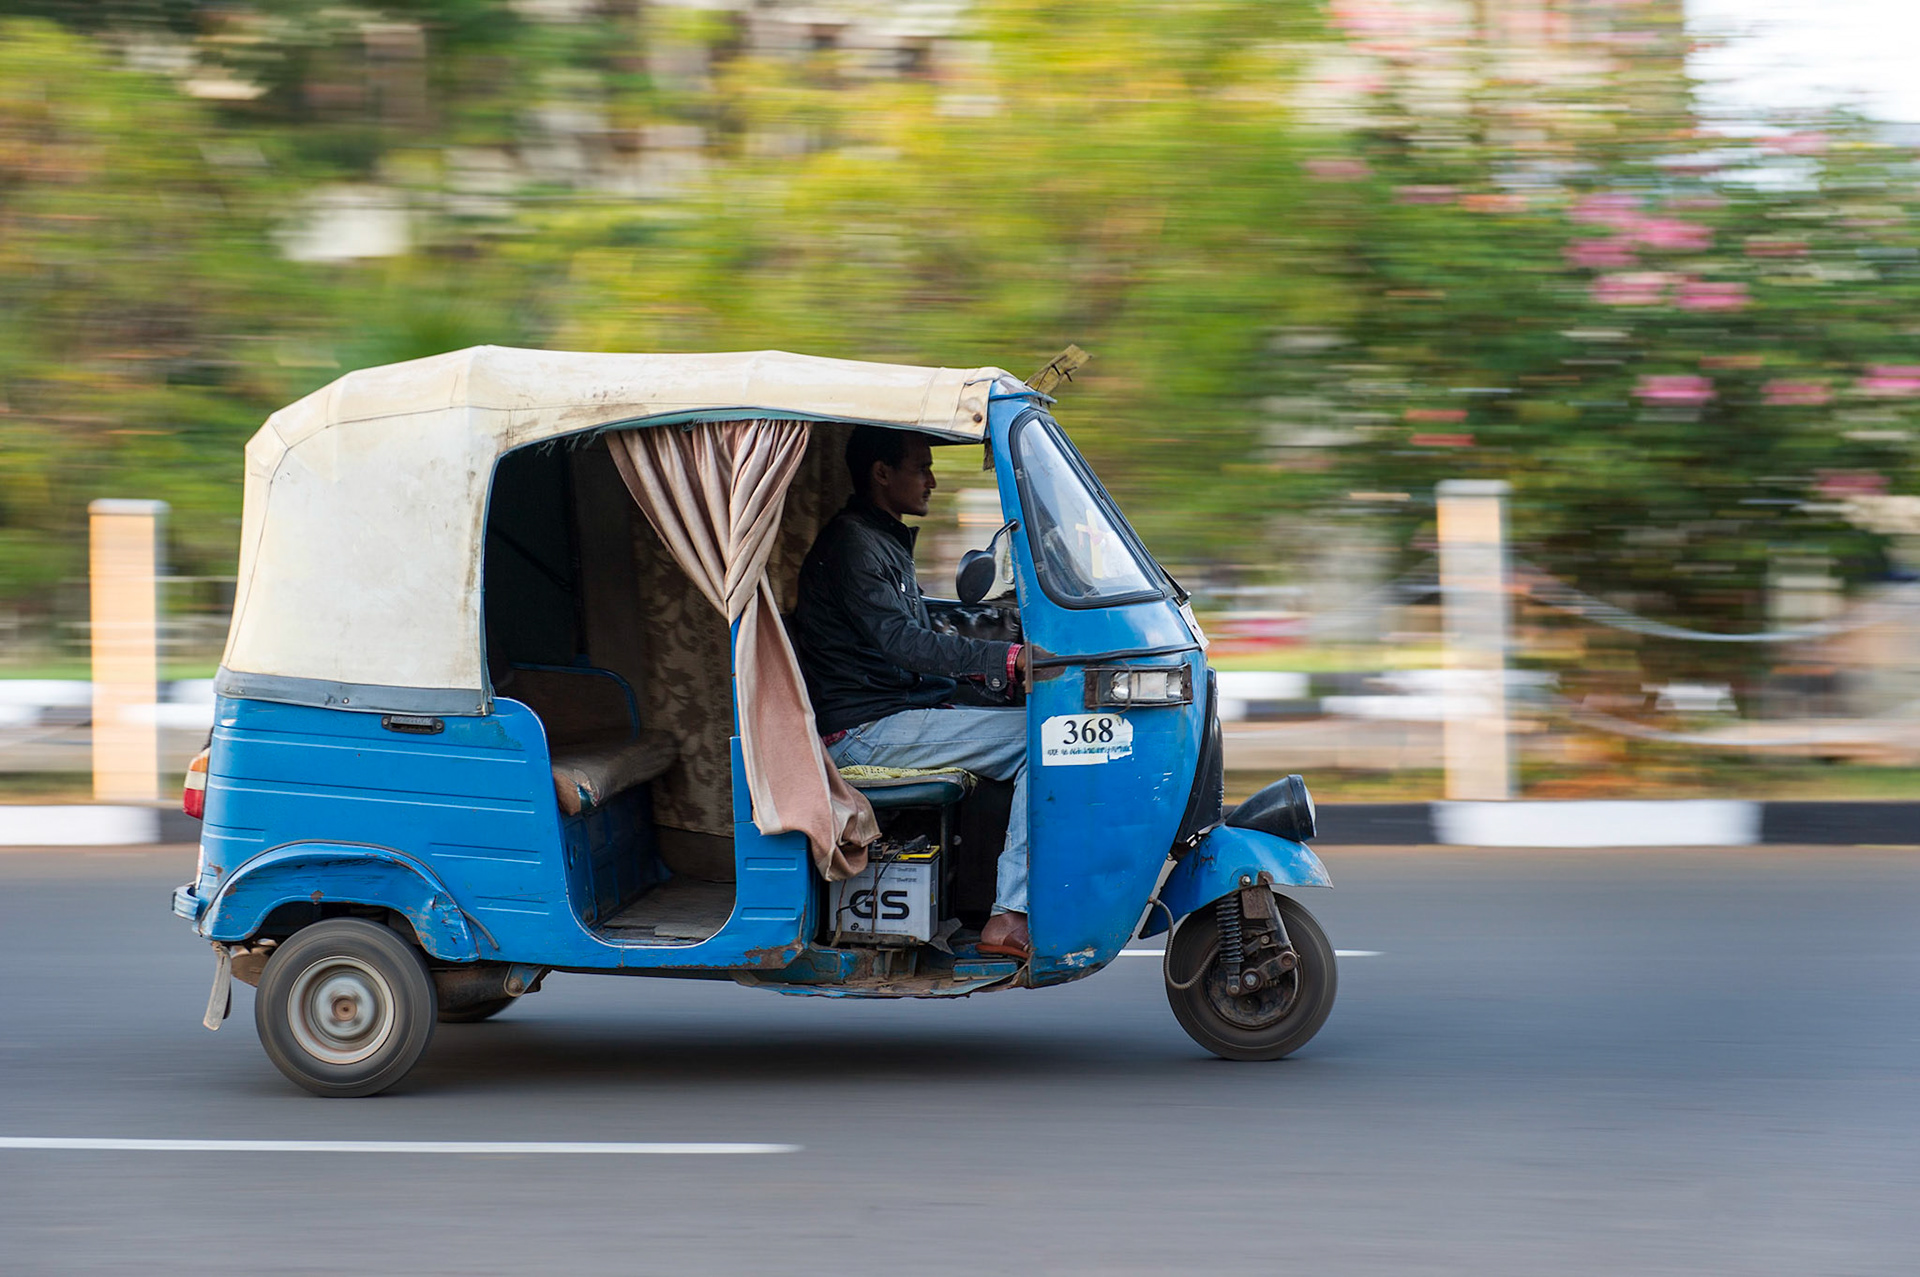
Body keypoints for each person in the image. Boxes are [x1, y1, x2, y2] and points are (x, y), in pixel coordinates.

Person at [791, 426, 1037, 959]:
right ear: (882, 473)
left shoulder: (880, 537)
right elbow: (905, 643)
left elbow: (917, 633)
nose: (931, 480)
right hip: (861, 731)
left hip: (889, 712)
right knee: (1042, 740)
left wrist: (987, 668)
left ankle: (978, 897)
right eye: (920, 467)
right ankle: (1008, 913)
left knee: (1015, 716)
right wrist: (1004, 660)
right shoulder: (855, 543)